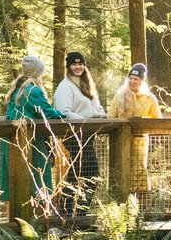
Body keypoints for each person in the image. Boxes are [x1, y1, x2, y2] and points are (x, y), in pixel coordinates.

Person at [0, 54, 70, 207]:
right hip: (29, 142)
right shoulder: (32, 91)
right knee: (37, 176)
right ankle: (36, 219)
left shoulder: (17, 87)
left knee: (15, 179)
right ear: (37, 73)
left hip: (12, 141)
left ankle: (17, 219)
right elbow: (47, 112)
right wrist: (64, 115)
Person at [53, 51, 105, 212]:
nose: (78, 67)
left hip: (87, 135)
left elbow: (96, 106)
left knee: (79, 175)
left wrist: (102, 117)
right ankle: (74, 211)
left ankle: (71, 211)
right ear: (68, 67)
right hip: (74, 135)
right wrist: (85, 122)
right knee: (91, 175)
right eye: (74, 64)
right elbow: (64, 112)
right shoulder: (65, 87)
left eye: (80, 64)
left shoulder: (86, 84)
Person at [109, 62, 162, 190]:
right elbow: (110, 117)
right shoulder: (119, 96)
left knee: (139, 169)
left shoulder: (149, 98)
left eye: (136, 79)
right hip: (120, 140)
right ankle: (119, 203)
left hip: (140, 140)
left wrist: (142, 123)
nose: (132, 81)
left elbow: (158, 120)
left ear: (142, 81)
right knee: (120, 168)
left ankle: (141, 205)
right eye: (130, 78)